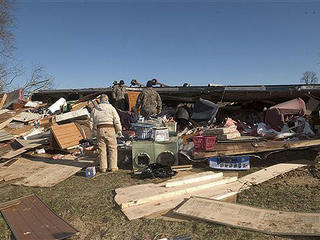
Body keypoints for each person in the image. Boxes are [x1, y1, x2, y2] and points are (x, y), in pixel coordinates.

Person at [91, 94, 122, 172]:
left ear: (100, 100)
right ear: (107, 99)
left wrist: (93, 132)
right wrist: (119, 130)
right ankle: (113, 167)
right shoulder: (111, 108)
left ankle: (103, 167)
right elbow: (117, 120)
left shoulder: (95, 109)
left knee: (102, 149)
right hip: (110, 128)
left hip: (100, 129)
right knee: (112, 148)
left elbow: (91, 122)